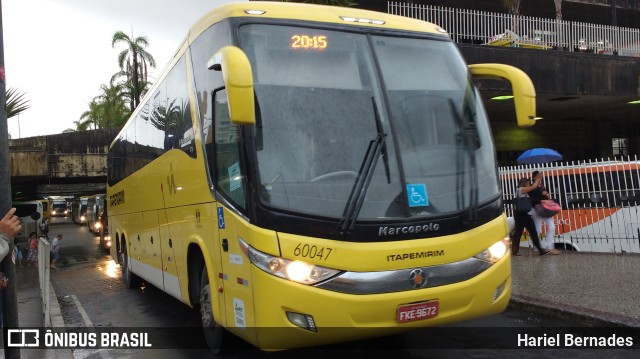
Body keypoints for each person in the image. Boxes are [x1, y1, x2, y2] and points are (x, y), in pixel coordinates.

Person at [511, 177, 556, 256]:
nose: (529, 185)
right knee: (518, 232)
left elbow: (533, 200)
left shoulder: (526, 192)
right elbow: (533, 187)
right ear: (524, 184)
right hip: (519, 215)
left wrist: (542, 201)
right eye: (528, 183)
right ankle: (515, 251)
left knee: (533, 232)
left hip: (526, 214)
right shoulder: (520, 190)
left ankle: (540, 250)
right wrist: (538, 179)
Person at [529, 171, 560, 254]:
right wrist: (542, 200)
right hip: (537, 209)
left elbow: (545, 195)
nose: (540, 177)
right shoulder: (532, 186)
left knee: (552, 227)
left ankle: (549, 247)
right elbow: (532, 200)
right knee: (538, 229)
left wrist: (547, 195)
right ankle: (537, 248)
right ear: (534, 177)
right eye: (539, 176)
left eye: (541, 176)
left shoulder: (541, 185)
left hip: (545, 209)